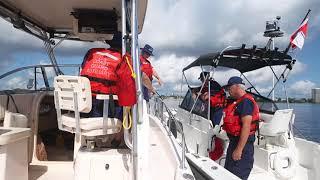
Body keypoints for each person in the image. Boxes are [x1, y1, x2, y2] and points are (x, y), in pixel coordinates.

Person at [80, 32, 124, 147]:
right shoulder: (122, 59)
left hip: (82, 105)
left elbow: (83, 67)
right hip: (103, 108)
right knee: (129, 107)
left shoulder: (92, 52)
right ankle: (117, 140)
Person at [222, 76, 260, 180]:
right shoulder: (238, 101)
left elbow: (246, 126)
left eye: (229, 88)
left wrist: (239, 150)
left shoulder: (246, 102)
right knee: (228, 172)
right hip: (234, 142)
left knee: (238, 174)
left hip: (243, 145)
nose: (228, 91)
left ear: (236, 87)